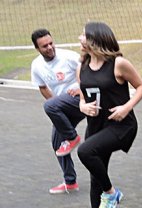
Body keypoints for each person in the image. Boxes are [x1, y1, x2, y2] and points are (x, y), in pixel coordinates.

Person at [76, 21, 142, 208]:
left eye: (83, 35)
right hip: (96, 126)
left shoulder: (118, 64)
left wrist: (126, 107)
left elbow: (141, 87)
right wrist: (82, 106)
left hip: (121, 126)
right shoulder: (83, 65)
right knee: (95, 178)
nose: (79, 38)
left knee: (85, 151)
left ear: (95, 38)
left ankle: (112, 193)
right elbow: (82, 95)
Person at [31, 29, 85, 194]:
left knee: (49, 106)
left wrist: (80, 90)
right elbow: (42, 87)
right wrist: (56, 103)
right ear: (37, 49)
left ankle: (72, 137)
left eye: (51, 43)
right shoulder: (37, 65)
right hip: (63, 106)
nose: (49, 47)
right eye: (44, 46)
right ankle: (70, 182)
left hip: (81, 100)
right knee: (57, 144)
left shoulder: (69, 56)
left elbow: (89, 74)